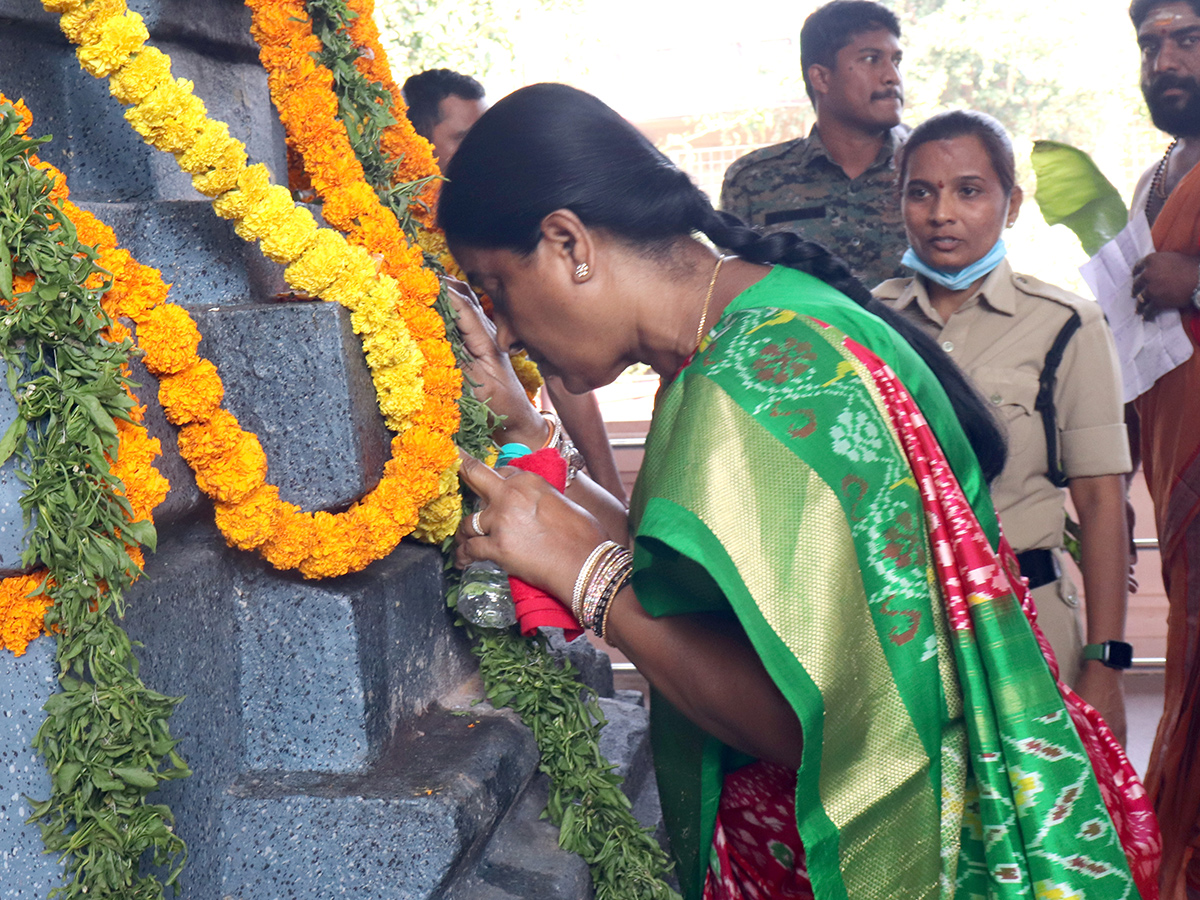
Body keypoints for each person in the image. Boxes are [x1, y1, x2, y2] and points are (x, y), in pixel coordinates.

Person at [440, 83, 1158, 900]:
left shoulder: (752, 384)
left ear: (569, 242)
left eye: (494, 286)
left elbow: (820, 720)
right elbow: (711, 587)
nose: (500, 327)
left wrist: (594, 585)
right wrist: (539, 449)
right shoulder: (760, 324)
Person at [873, 111, 1132, 745]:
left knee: (1045, 826)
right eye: (921, 191)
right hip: (901, 629)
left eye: (969, 190)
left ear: (1011, 204)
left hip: (1030, 616)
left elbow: (1100, 502)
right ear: (898, 201)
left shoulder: (1067, 324)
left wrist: (1105, 662)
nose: (941, 213)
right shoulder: (867, 322)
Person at [403, 69, 629, 502]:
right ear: (413, 144)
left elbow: (561, 371)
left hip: (519, 453)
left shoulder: (502, 232)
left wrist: (613, 495)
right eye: (463, 139)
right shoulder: (385, 240)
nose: (483, 155)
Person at [1123, 1, 1200, 895]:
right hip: (1174, 465)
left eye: (1186, 39)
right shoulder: (1159, 175)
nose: (1165, 60)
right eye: (1150, 44)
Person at [719, 0, 909, 288]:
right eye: (871, 59)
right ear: (821, 77)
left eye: (896, 60)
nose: (892, 76)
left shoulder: (928, 171)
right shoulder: (753, 182)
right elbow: (733, 298)